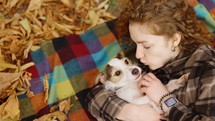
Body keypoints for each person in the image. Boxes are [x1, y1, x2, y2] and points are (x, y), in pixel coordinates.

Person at [86, 0, 215, 120]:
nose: (137, 55)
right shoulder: (152, 62)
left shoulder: (208, 71)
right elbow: (94, 97)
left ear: (175, 40)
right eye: (135, 44)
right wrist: (134, 112)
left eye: (146, 46)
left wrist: (164, 98)